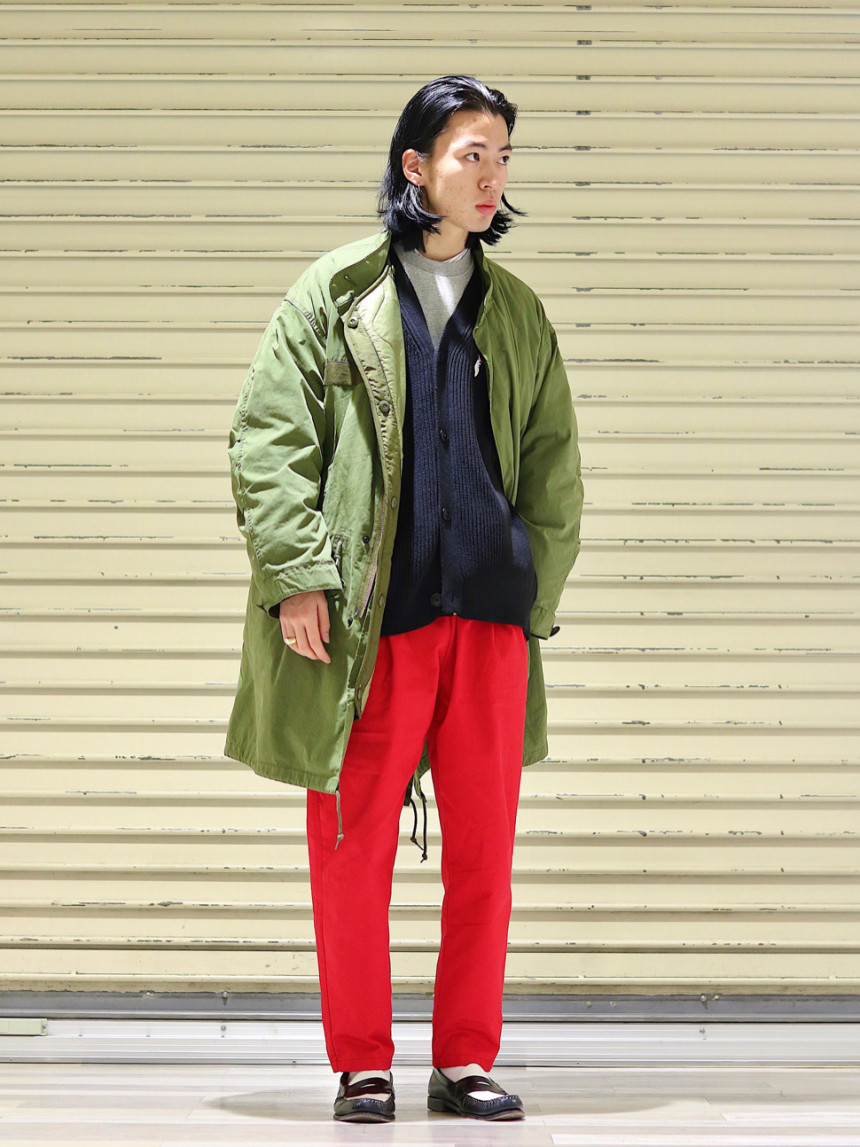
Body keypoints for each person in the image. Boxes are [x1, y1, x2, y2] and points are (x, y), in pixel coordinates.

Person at [224, 74, 584, 1124]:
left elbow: (554, 468)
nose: (492, 175)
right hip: (368, 623)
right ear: (415, 165)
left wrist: (532, 590)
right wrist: (296, 575)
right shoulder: (334, 293)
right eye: (473, 154)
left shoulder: (516, 313)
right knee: (350, 849)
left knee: (483, 859)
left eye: (503, 156)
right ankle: (361, 1062)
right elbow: (268, 440)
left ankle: (465, 1056)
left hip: (488, 618)